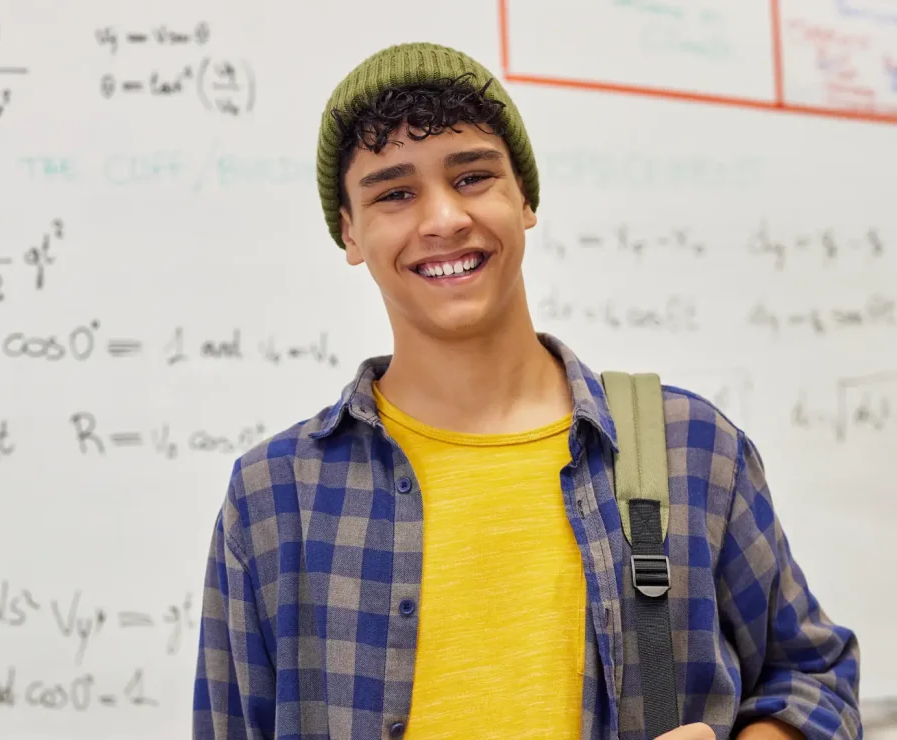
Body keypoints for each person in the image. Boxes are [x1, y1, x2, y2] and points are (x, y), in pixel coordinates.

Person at [192, 42, 860, 739]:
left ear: (525, 198)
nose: (443, 218)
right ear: (350, 233)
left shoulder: (687, 448)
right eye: (394, 193)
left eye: (473, 177)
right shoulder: (274, 498)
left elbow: (816, 678)